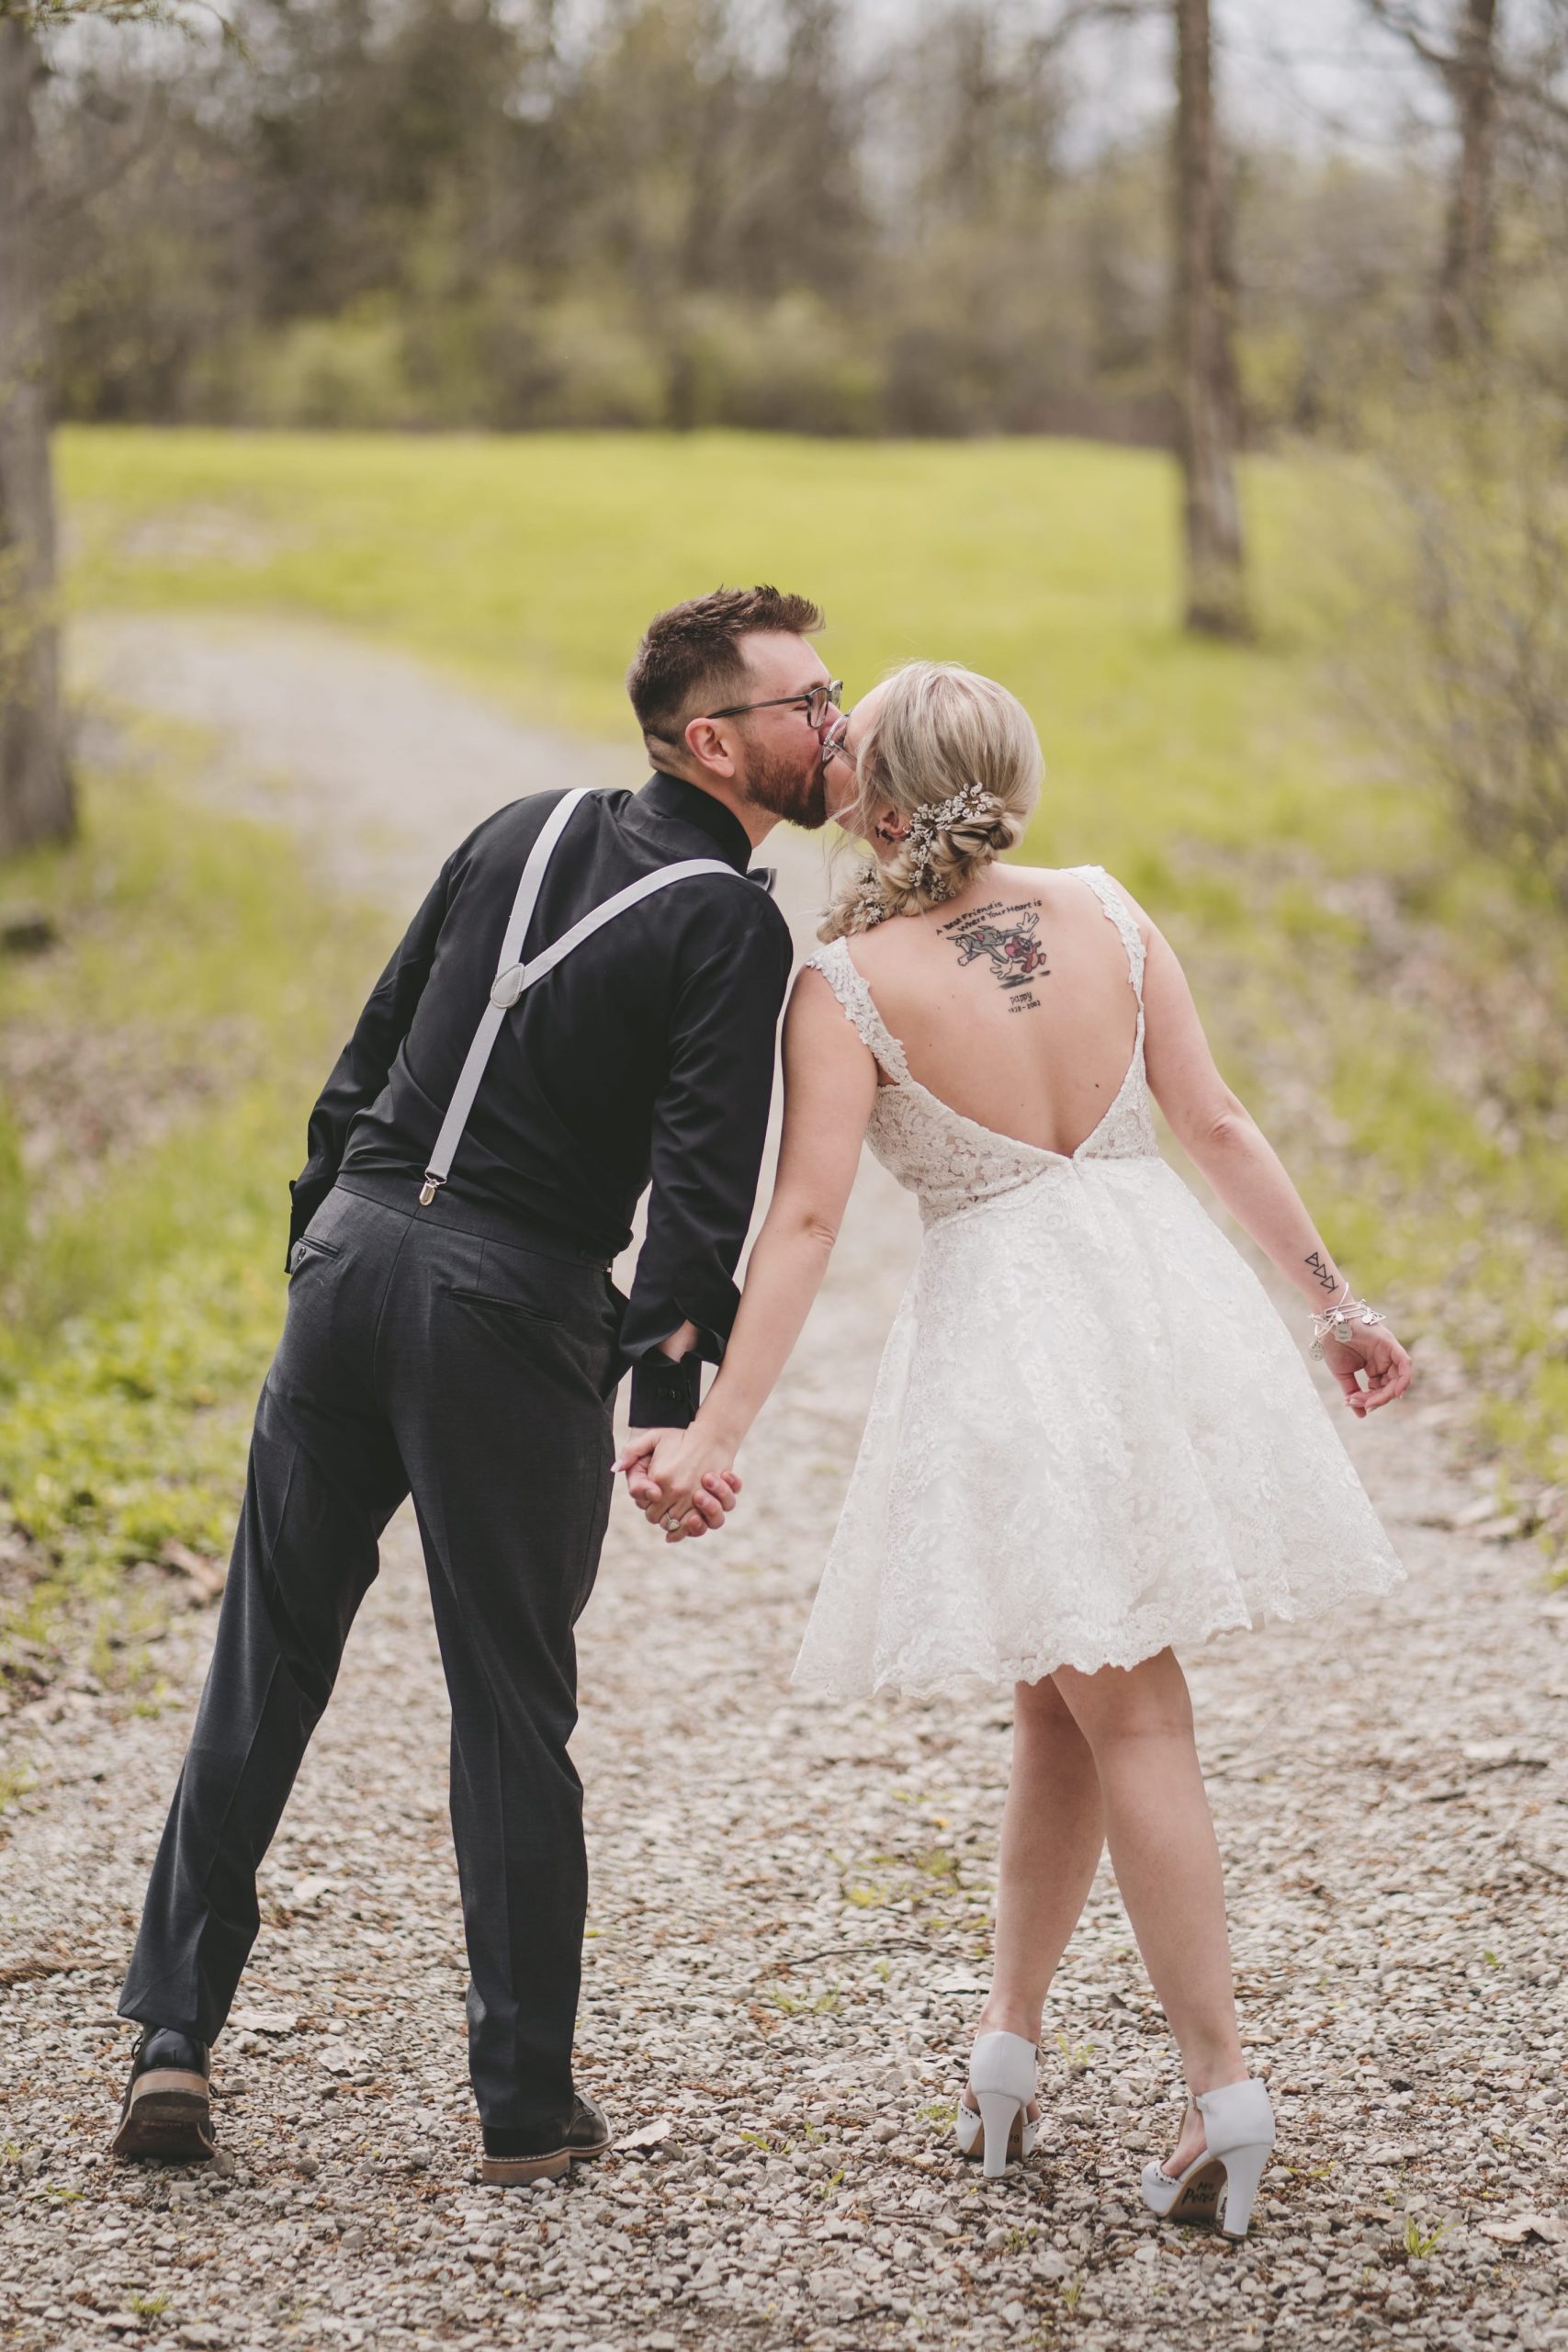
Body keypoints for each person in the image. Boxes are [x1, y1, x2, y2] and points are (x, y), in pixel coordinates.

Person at [616, 659, 1410, 2239]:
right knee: (1060, 1702)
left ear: (879, 799)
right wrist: (1334, 1305)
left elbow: (813, 1217)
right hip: (1157, 1319)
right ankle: (1008, 2047)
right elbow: (1223, 1126)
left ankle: (1223, 2091)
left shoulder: (844, 982)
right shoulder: (1108, 912)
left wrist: (718, 1424)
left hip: (1020, 1352)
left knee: (1134, 1717)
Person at [111, 585, 838, 2186]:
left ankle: (171, 2038)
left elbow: (363, 1056)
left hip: (356, 1264)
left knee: (268, 1656)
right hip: (509, 1308)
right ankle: (521, 2105)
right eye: (810, 704)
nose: (836, 726)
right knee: (512, 1701)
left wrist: (325, 1246)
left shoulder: (521, 823)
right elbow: (704, 1180)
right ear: (717, 743)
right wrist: (667, 1402)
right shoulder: (729, 920)